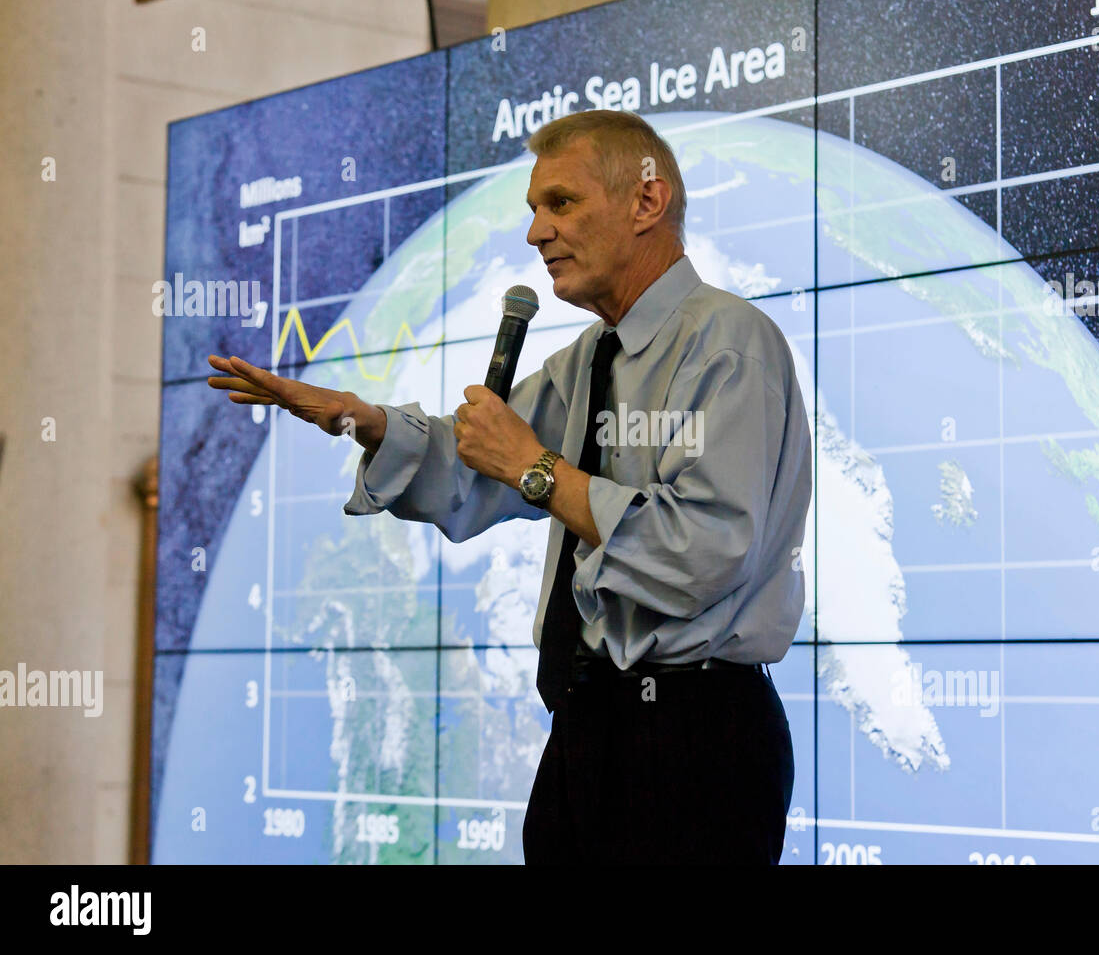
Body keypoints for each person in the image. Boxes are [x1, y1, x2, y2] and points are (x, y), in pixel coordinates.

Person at [207, 108, 811, 865]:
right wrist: (362, 420)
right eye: (533, 209)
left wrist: (538, 469)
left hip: (695, 733)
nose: (536, 233)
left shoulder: (730, 344)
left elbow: (702, 550)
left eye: (561, 203)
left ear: (645, 204)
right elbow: (473, 472)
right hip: (589, 728)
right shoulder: (593, 357)